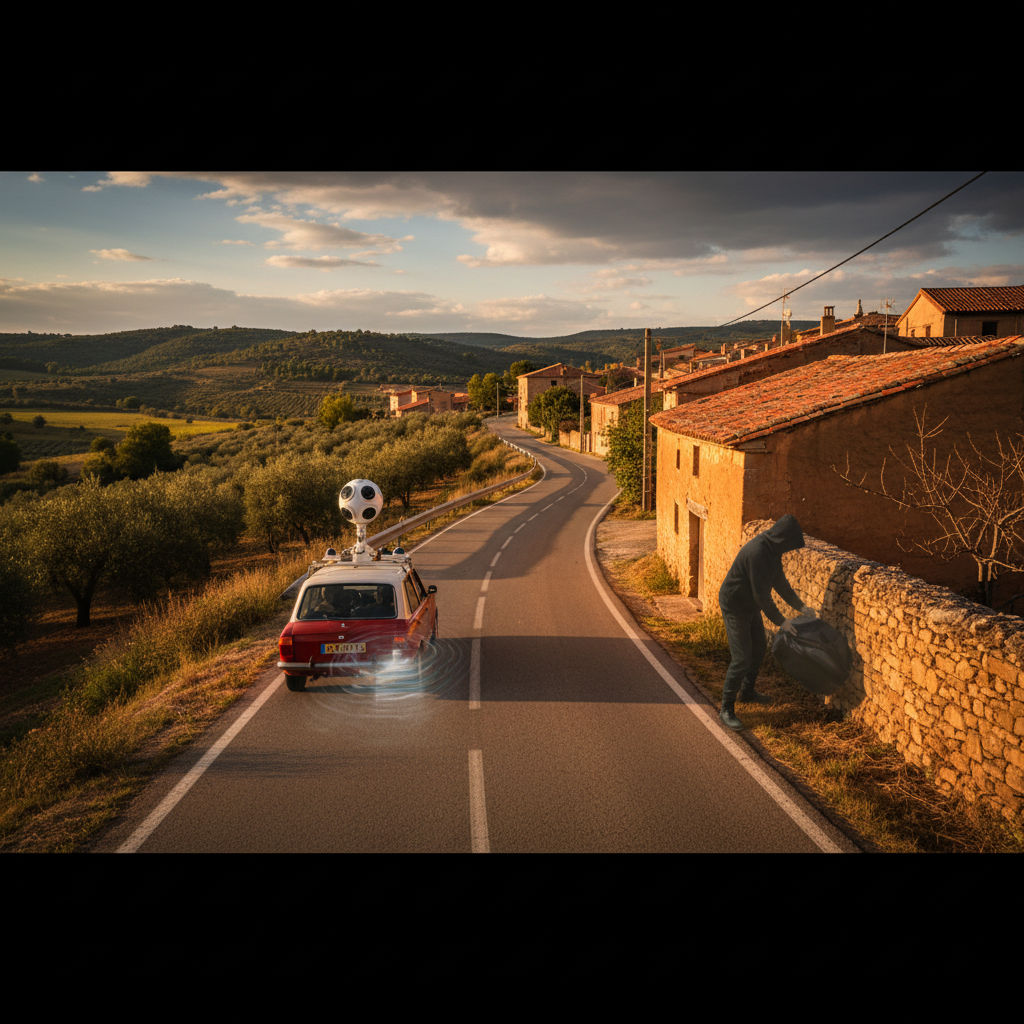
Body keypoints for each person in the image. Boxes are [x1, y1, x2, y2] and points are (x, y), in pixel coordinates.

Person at [717, 514, 817, 731]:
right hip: (735, 604)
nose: (790, 550)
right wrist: (782, 621)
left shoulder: (772, 550)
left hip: (749, 603)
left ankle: (747, 692)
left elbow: (779, 582)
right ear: (783, 539)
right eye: (790, 545)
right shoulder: (758, 553)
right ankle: (726, 709)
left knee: (759, 648)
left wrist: (801, 607)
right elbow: (762, 596)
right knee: (742, 657)